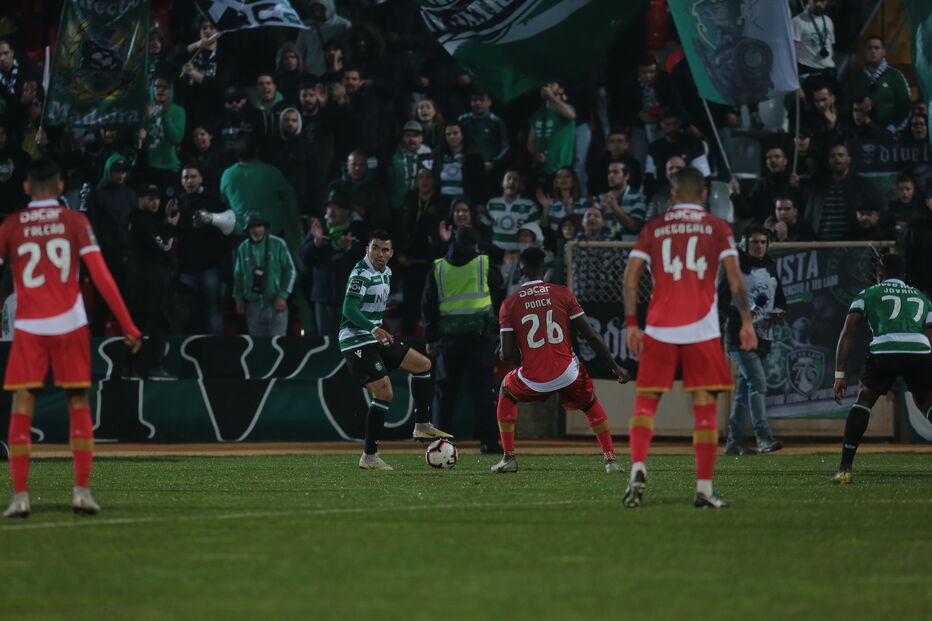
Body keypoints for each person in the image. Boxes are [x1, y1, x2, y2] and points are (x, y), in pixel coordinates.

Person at [1, 158, 141, 518]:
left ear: (27, 187)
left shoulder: (11, 225)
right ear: (61, 187)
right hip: (70, 323)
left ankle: (20, 497)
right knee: (78, 401)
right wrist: (127, 324)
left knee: (22, 405)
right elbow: (101, 276)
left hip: (30, 326)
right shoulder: (75, 221)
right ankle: (81, 492)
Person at [622, 167, 756, 509]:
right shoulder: (717, 227)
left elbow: (630, 278)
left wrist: (632, 324)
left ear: (672, 195)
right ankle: (704, 489)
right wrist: (746, 322)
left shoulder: (654, 228)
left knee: (645, 403)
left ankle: (637, 466)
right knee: (705, 408)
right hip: (703, 329)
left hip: (660, 327)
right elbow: (735, 279)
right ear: (703, 195)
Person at [492, 247, 629, 474]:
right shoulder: (562, 293)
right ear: (544, 270)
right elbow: (591, 335)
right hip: (568, 373)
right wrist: (615, 366)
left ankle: (509, 458)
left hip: (534, 378)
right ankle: (611, 460)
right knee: (590, 403)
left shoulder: (509, 303)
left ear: (520, 269)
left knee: (506, 390)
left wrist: (510, 347)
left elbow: (506, 355)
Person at [340, 230, 452, 470]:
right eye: (375, 248)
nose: (379, 254)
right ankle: (369, 456)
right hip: (355, 341)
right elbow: (349, 309)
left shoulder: (387, 272)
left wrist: (376, 331)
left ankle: (422, 424)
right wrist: (373, 329)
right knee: (384, 392)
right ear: (366, 250)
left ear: (392, 253)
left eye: (384, 250)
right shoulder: (361, 273)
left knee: (423, 365)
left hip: (375, 337)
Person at [831, 254, 932, 483]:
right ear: (903, 275)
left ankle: (845, 468)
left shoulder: (867, 294)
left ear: (878, 275)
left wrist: (839, 374)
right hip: (919, 350)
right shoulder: (921, 297)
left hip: (885, 348)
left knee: (865, 399)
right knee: (927, 403)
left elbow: (848, 333)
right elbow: (930, 335)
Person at [422, 226, 504, 454]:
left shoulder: (438, 268)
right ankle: (489, 443)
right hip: (480, 339)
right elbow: (499, 293)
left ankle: (439, 444)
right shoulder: (483, 264)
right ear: (475, 245)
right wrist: (493, 323)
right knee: (483, 392)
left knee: (444, 394)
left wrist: (430, 338)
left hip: (448, 341)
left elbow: (428, 305)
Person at [719, 226, 786, 456]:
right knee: (758, 384)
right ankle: (763, 437)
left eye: (763, 242)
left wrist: (779, 311)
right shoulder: (734, 267)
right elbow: (721, 302)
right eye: (755, 242)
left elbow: (780, 298)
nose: (759, 246)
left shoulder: (770, 265)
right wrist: (744, 316)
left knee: (744, 390)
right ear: (745, 244)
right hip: (739, 335)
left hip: (764, 334)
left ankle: (734, 441)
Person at [125, 184, 179, 380]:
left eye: (157, 198)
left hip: (138, 280)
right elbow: (163, 245)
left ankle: (131, 369)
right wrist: (171, 226)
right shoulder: (143, 221)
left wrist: (165, 222)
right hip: (151, 283)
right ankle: (154, 367)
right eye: (150, 198)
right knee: (159, 322)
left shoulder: (136, 220)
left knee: (137, 325)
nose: (155, 202)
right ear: (140, 199)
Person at [301, 196, 367, 337]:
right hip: (323, 297)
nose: (331, 211)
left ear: (347, 212)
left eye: (336, 207)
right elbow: (304, 258)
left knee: (351, 342)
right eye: (329, 207)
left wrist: (350, 248)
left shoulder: (357, 229)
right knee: (327, 343)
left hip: (350, 299)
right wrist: (316, 243)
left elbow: (368, 261)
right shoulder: (319, 229)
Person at [233, 211, 296, 337]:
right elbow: (238, 275)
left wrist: (283, 295)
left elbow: (291, 270)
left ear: (265, 227)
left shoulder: (278, 244)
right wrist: (238, 299)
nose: (257, 230)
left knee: (278, 347)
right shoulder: (242, 248)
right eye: (252, 227)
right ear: (247, 230)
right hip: (253, 307)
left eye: (259, 226)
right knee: (258, 349)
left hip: (276, 305)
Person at [841, 36, 911, 135]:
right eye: (869, 48)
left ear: (884, 52)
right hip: (860, 135)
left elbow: (905, 107)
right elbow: (845, 106)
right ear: (865, 52)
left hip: (889, 134)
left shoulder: (895, 76)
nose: (873, 51)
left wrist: (892, 129)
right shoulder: (856, 78)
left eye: (877, 48)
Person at [483, 170, 540, 252]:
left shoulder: (530, 206)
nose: (512, 182)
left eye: (515, 179)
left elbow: (535, 233)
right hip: (496, 255)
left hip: (520, 256)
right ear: (502, 183)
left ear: (520, 185)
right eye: (508, 178)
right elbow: (486, 227)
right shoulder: (491, 204)